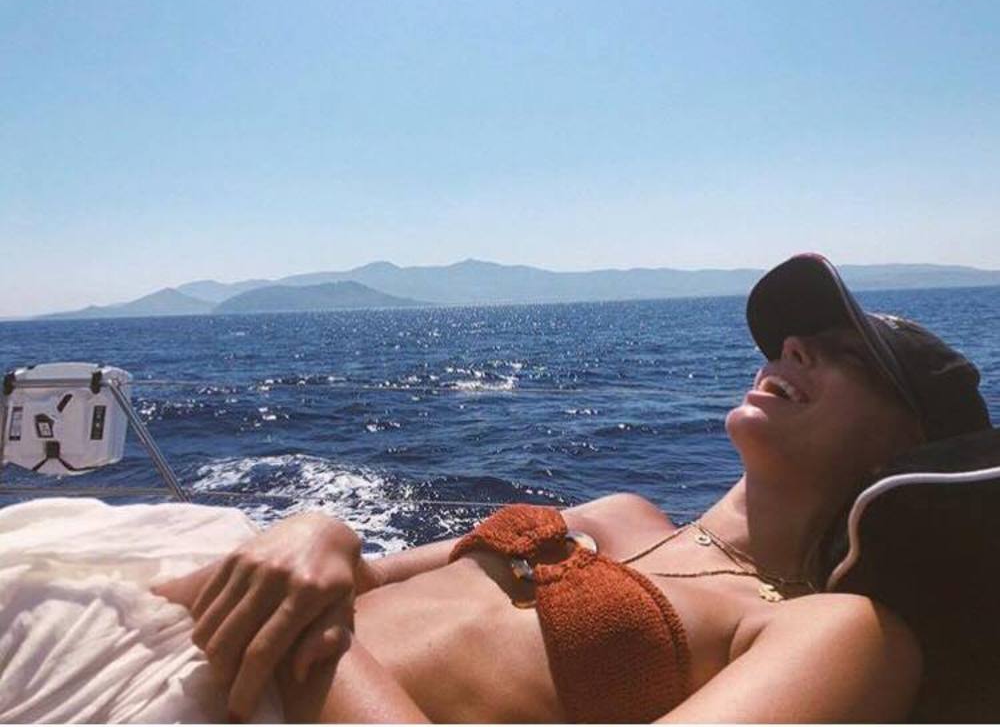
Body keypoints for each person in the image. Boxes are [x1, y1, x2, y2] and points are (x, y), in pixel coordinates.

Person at [154, 253, 991, 723]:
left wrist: (314, 647)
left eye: (849, 356)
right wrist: (317, 532)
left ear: (910, 445)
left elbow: (320, 612)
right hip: (172, 654)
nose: (792, 348)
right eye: (796, 338)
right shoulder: (620, 514)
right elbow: (355, 578)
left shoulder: (837, 631)